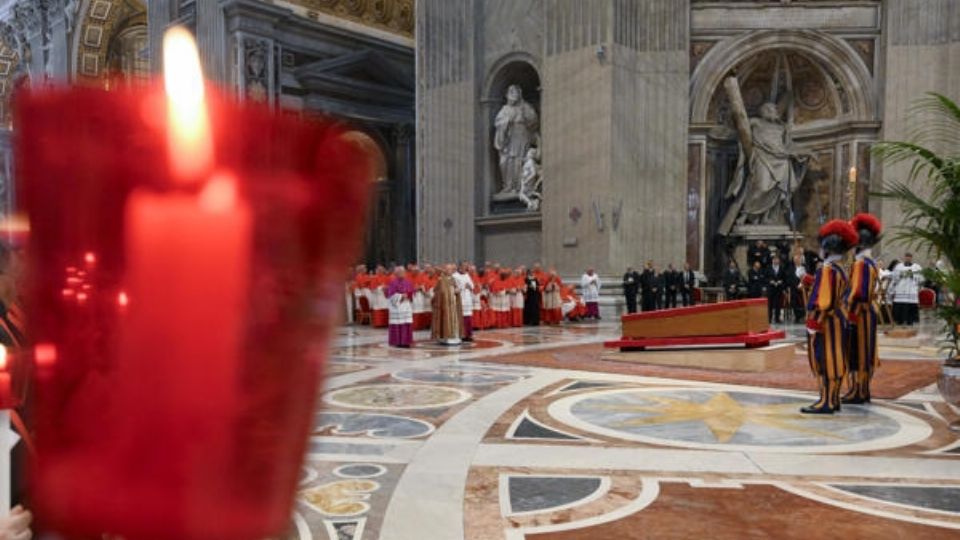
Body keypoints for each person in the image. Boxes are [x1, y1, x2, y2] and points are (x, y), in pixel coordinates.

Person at [803, 219, 858, 414]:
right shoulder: (840, 269)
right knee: (836, 360)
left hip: (826, 323)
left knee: (825, 360)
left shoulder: (827, 270)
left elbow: (824, 301)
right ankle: (833, 399)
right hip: (838, 321)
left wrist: (813, 322)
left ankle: (826, 401)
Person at [843, 213, 883, 404]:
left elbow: (858, 292)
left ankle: (857, 390)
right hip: (868, 312)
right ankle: (863, 389)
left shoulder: (860, 264)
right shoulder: (871, 263)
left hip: (859, 313)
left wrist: (849, 312)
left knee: (858, 352)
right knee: (866, 351)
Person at [431, 264, 463, 345]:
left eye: (451, 270)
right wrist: (452, 291)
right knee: (445, 320)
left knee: (454, 320)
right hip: (444, 305)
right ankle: (445, 338)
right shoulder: (441, 280)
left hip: (453, 304)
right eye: (448, 269)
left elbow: (456, 288)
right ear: (445, 270)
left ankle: (454, 336)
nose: (450, 271)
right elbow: (439, 292)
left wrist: (457, 290)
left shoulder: (453, 279)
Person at [386, 268, 415, 348]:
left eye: (403, 272)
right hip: (397, 307)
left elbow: (412, 291)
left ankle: (406, 341)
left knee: (406, 323)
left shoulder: (408, 282)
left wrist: (409, 295)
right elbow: (390, 295)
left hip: (406, 305)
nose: (402, 274)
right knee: (398, 324)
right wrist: (401, 296)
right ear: (396, 273)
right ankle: (398, 341)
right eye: (400, 272)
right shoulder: (392, 283)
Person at [891, 253, 923, 326]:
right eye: (906, 257)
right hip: (901, 289)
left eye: (909, 257)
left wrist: (913, 275)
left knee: (911, 306)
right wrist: (900, 275)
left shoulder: (917, 267)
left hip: (911, 290)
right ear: (904, 258)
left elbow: (921, 278)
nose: (908, 258)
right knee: (900, 306)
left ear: (911, 258)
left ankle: (910, 320)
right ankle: (900, 320)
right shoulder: (898, 267)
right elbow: (894, 277)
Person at [452, 263, 476, 341]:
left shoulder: (467, 275)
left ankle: (468, 335)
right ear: (459, 267)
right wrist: (463, 287)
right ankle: (461, 334)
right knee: (461, 318)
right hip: (460, 298)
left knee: (468, 318)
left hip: (467, 298)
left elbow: (472, 285)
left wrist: (470, 286)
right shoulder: (455, 276)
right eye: (463, 267)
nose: (465, 268)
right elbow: (454, 288)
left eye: (466, 267)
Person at [767, 256, 787, 323]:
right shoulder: (768, 268)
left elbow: (784, 278)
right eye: (774, 259)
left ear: (779, 260)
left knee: (778, 304)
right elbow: (765, 277)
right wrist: (770, 281)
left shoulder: (782, 268)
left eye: (777, 259)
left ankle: (777, 319)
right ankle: (769, 318)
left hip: (779, 288)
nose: (776, 261)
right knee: (770, 304)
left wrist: (781, 281)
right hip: (771, 288)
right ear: (772, 260)